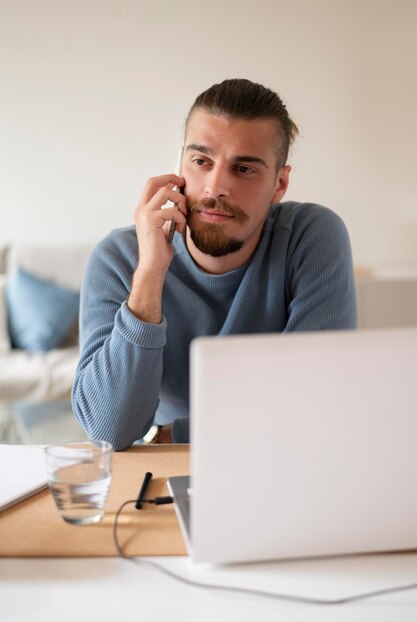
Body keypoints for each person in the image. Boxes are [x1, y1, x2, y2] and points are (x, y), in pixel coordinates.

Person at [72, 78, 357, 450]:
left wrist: (175, 433)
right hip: (162, 470)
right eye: (201, 161)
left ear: (279, 185)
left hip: (273, 455)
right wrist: (150, 275)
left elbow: (314, 404)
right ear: (180, 166)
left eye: (243, 169)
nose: (214, 187)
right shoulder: (120, 257)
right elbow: (107, 431)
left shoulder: (311, 237)